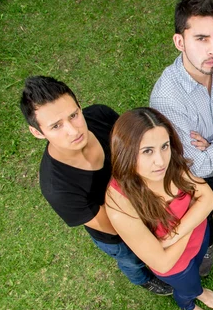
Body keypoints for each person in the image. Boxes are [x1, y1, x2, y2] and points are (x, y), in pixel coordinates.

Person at [20, 76, 172, 296]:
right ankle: (144, 280)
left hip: (145, 199)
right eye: (56, 126)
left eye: (73, 115)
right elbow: (112, 226)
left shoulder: (101, 115)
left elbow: (136, 147)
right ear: (37, 132)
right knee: (132, 260)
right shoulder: (58, 188)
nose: (73, 130)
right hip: (117, 234)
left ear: (80, 106)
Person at [150, 0, 213, 276]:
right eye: (201, 39)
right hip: (199, 174)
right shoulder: (166, 98)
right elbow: (199, 164)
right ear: (179, 41)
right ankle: (206, 246)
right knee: (203, 217)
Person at [105, 108, 213, 310]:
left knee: (197, 270)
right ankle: (188, 304)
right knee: (187, 287)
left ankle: (198, 290)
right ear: (125, 152)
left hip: (197, 238)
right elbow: (163, 261)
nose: (160, 161)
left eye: (164, 146)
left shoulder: (170, 165)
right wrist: (193, 216)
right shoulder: (120, 203)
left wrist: (172, 236)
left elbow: (209, 199)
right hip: (175, 264)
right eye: (147, 151)